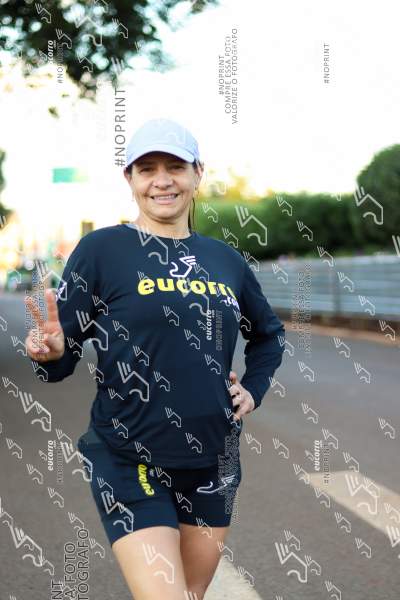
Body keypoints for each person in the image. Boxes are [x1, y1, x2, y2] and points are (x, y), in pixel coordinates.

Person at [25, 117, 285, 600]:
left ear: (197, 174)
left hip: (215, 459)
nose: (162, 181)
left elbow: (268, 335)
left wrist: (254, 389)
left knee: (190, 594)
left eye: (175, 167)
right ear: (130, 179)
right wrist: (54, 351)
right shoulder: (102, 250)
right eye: (147, 169)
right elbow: (61, 357)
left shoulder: (225, 260)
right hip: (129, 457)